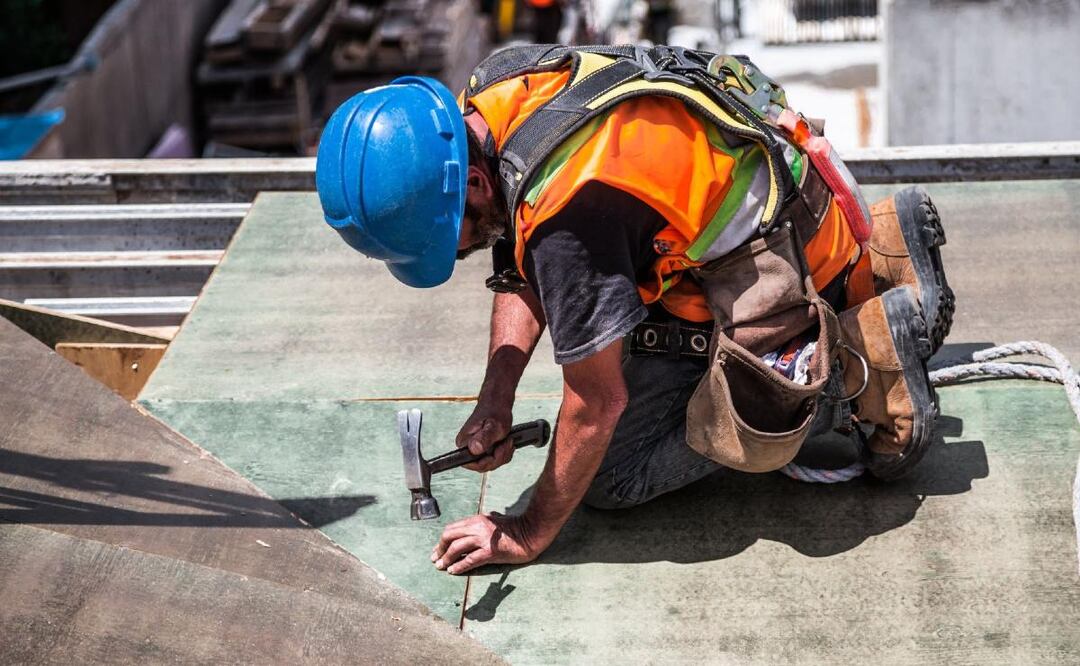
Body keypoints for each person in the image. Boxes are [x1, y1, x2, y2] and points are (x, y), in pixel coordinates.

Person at [315, 45, 954, 575]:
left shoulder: (571, 217)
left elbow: (597, 404)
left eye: (445, 241)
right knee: (608, 332)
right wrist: (496, 397)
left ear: (474, 183)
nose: (453, 258)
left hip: (784, 270)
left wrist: (528, 531)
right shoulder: (498, 90)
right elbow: (518, 255)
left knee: (614, 476)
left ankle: (857, 363)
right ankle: (885, 252)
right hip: (796, 204)